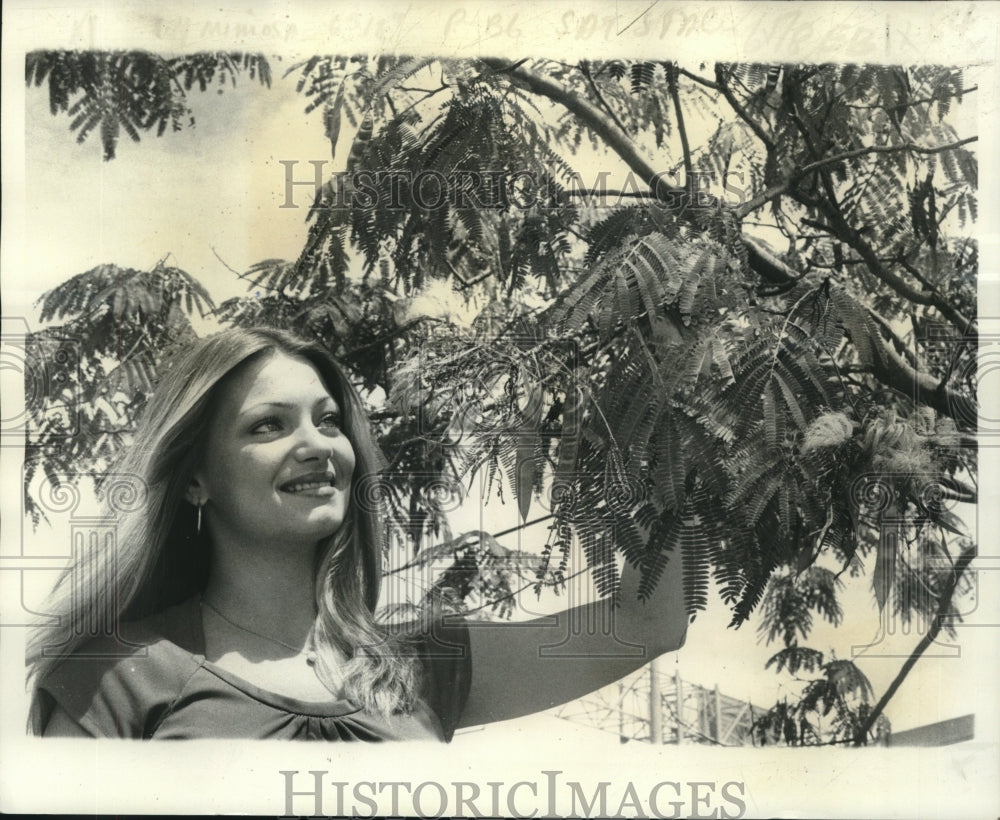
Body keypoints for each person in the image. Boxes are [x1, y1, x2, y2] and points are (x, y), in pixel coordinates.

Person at [27, 327, 688, 740]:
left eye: (329, 420)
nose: (316, 444)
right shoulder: (118, 675)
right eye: (269, 425)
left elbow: (646, 624)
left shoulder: (425, 667)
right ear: (197, 479)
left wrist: (650, 408)